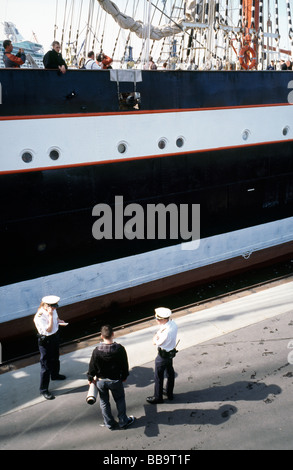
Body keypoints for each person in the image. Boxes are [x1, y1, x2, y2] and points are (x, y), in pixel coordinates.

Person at [87, 324, 134, 430]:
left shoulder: (97, 351)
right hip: (116, 380)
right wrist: (125, 376)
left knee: (104, 402)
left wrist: (90, 378)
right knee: (120, 399)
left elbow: (92, 367)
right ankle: (123, 421)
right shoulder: (120, 349)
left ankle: (109, 423)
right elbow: (124, 365)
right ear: (113, 334)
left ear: (101, 336)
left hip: (101, 381)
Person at [34, 295, 68, 400]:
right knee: (45, 365)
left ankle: (55, 375)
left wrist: (59, 321)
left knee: (55, 357)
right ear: (46, 306)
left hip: (55, 337)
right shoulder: (39, 316)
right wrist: (50, 315)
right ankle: (44, 390)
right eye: (53, 307)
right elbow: (48, 330)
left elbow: (56, 318)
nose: (55, 308)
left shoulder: (53, 310)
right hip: (46, 340)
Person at [146, 307, 178, 404]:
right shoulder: (172, 324)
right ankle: (169, 393)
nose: (156, 320)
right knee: (170, 373)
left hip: (162, 355)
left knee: (158, 376)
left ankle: (158, 397)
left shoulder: (166, 333)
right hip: (170, 353)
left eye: (158, 319)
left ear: (164, 319)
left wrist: (155, 338)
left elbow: (156, 342)